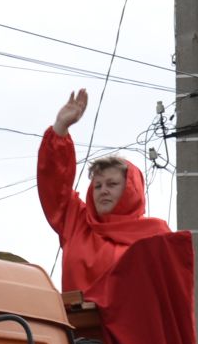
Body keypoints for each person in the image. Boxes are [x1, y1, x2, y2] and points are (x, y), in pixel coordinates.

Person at [37, 88, 172, 299]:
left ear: (131, 189)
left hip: (131, 331)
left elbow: (170, 295)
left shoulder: (155, 235)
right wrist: (60, 129)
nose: (103, 191)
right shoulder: (76, 223)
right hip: (79, 329)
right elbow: (53, 183)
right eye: (98, 186)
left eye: (112, 184)